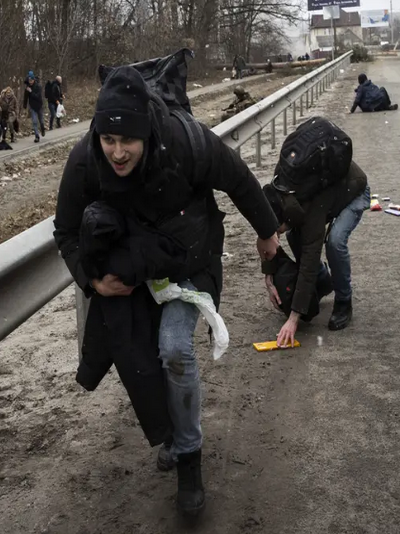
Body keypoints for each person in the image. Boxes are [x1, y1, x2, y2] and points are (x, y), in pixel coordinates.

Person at [53, 65, 280, 518]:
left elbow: (237, 177)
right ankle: (174, 436)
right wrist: (92, 280)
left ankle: (189, 458)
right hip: (134, 268)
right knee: (141, 358)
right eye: (108, 140)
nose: (117, 153)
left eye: (128, 141)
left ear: (147, 132)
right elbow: (65, 231)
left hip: (190, 257)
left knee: (175, 348)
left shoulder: (184, 141)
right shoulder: (85, 160)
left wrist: (267, 231)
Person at [261, 130, 370, 344]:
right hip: (331, 195)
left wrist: (294, 318)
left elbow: (310, 258)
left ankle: (344, 301)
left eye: (278, 230)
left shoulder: (311, 209)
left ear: (285, 217)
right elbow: (266, 238)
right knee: (294, 236)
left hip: (354, 192)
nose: (278, 234)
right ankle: (323, 282)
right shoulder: (279, 184)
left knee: (335, 242)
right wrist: (269, 276)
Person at [22, 70, 46, 142]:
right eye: (29, 80)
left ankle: (42, 128)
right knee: (34, 122)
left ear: (33, 80)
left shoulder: (38, 86)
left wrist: (31, 92)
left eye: (31, 80)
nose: (30, 81)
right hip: (32, 107)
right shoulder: (27, 87)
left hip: (39, 105)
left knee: (41, 121)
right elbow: (25, 97)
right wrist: (24, 106)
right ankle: (36, 136)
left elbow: (38, 96)